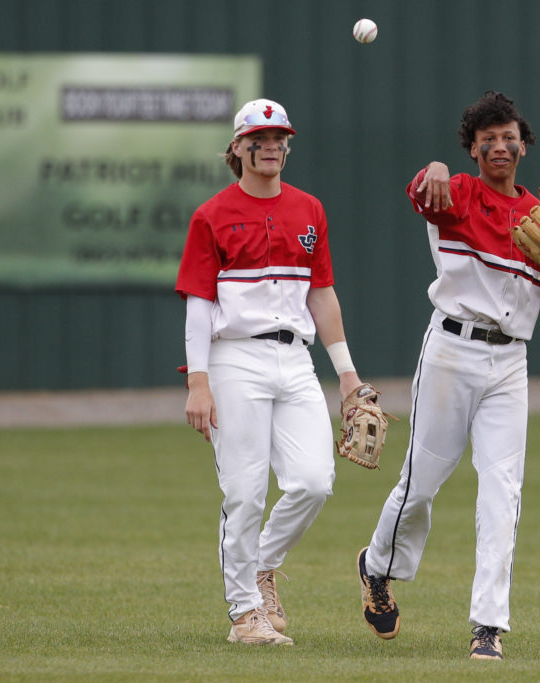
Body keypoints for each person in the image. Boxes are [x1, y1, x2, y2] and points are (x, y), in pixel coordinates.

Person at [356, 91, 540, 660]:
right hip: (452, 352)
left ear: (523, 144)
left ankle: (488, 626)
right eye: (488, 138)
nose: (500, 145)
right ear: (473, 148)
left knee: (502, 490)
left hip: (510, 363)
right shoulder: (455, 193)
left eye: (509, 136)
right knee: (421, 483)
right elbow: (419, 192)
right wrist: (432, 168)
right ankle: (376, 563)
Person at [177, 98, 368, 646]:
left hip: (296, 358)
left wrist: (348, 375)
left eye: (279, 137)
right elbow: (197, 303)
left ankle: (261, 567)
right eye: (258, 138)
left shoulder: (309, 208)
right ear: (238, 147)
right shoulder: (211, 214)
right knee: (244, 492)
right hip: (235, 357)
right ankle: (245, 616)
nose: (271, 146)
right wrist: (198, 380)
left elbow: (322, 294)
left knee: (313, 480)